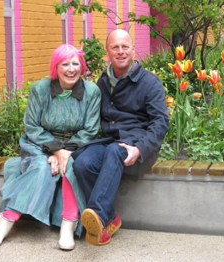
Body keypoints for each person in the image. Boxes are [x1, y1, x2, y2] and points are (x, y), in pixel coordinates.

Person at [0, 44, 101, 250]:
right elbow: (32, 126)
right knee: (41, 167)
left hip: (77, 145)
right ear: (55, 67)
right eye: (64, 64)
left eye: (75, 63)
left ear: (82, 67)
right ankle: (6, 221)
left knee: (73, 166)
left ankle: (68, 225)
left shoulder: (92, 92)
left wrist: (65, 153)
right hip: (39, 143)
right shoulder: (40, 89)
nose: (71, 69)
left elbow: (90, 130)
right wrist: (56, 151)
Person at [72, 29, 169, 246]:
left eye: (125, 46)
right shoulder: (104, 81)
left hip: (138, 146)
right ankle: (109, 218)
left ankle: (96, 214)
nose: (120, 51)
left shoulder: (150, 82)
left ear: (133, 50)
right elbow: (91, 116)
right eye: (115, 47)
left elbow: (160, 123)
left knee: (115, 150)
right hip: (111, 142)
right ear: (108, 51)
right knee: (82, 162)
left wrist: (140, 148)